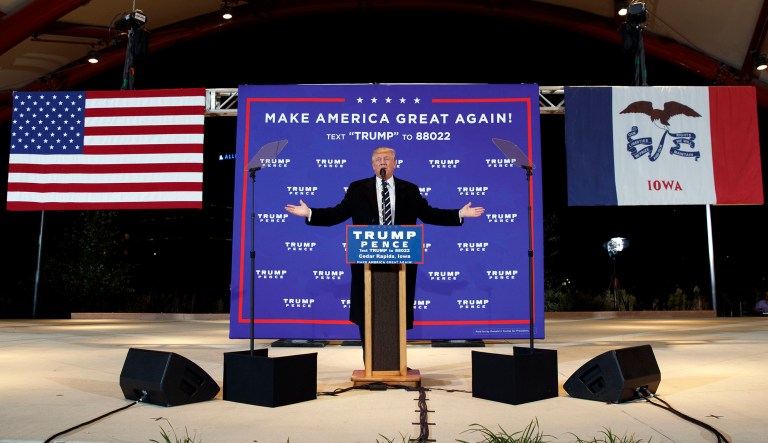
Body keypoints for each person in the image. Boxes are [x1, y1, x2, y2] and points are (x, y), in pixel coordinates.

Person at [285, 146, 485, 347]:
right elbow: (337, 213)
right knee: (367, 312)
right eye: (378, 159)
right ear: (372, 165)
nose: (382, 162)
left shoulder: (410, 190)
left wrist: (459, 214)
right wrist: (310, 213)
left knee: (396, 311)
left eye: (387, 159)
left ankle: (395, 362)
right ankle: (370, 363)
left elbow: (429, 214)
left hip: (400, 261)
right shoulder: (357, 189)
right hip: (367, 261)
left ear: (395, 163)